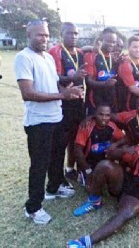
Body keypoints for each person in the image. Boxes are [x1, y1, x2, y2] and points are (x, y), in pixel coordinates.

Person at [14, 20, 83, 224]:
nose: (43, 39)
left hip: (56, 116)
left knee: (57, 154)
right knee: (39, 164)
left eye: (45, 35)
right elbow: (28, 94)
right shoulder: (23, 58)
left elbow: (53, 84)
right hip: (38, 121)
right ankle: (33, 208)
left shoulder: (48, 58)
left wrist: (68, 92)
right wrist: (63, 96)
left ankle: (54, 188)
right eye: (39, 35)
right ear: (29, 35)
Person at [67, 133, 139, 247]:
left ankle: (84, 242)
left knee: (127, 214)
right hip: (125, 181)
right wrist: (123, 150)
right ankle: (95, 201)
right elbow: (110, 155)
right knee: (104, 165)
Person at [49, 22, 87, 181]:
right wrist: (73, 77)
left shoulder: (80, 52)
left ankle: (71, 168)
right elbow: (54, 77)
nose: (73, 36)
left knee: (76, 137)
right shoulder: (55, 51)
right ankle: (57, 176)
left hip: (80, 102)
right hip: (63, 103)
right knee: (61, 140)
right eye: (70, 33)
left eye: (76, 33)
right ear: (62, 34)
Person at [75, 103, 126, 186]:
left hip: (105, 163)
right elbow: (77, 150)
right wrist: (87, 170)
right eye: (101, 114)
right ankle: (82, 174)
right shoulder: (86, 126)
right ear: (95, 114)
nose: (104, 118)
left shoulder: (112, 126)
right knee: (92, 187)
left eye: (107, 115)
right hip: (89, 165)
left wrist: (116, 144)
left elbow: (125, 139)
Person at [84, 27, 118, 115]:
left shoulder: (114, 58)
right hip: (95, 101)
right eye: (108, 41)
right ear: (101, 40)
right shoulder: (91, 56)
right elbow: (89, 80)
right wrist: (105, 84)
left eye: (113, 42)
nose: (111, 44)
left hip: (110, 101)